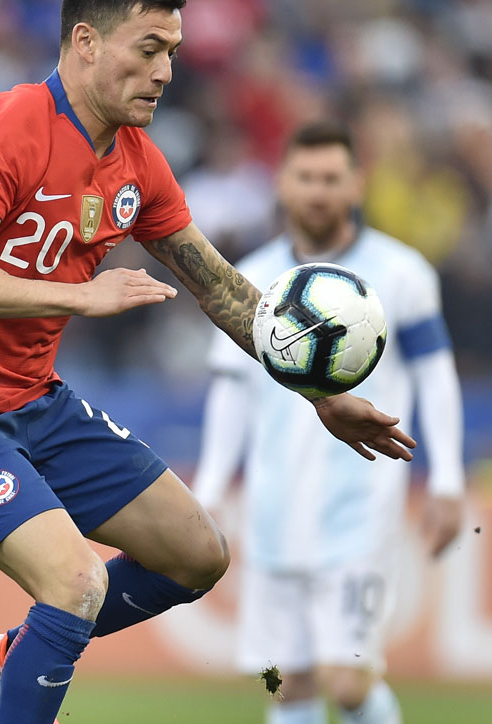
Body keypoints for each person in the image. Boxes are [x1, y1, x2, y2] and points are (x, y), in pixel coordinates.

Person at [0, 0, 416, 724]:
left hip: (34, 404)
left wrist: (320, 393)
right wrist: (79, 296)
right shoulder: (11, 125)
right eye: (149, 48)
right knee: (77, 583)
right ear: (87, 42)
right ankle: (39, 643)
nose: (166, 71)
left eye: (173, 52)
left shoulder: (138, 163)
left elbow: (222, 288)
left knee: (198, 554)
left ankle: (18, 652)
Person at [192, 121, 464, 724]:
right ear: (282, 184)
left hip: (361, 505)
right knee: (291, 686)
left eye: (331, 178)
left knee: (348, 681)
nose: (318, 191)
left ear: (356, 184)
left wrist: (447, 481)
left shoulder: (402, 273)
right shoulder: (249, 284)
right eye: (306, 177)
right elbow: (231, 394)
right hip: (274, 507)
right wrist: (209, 490)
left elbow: (436, 375)